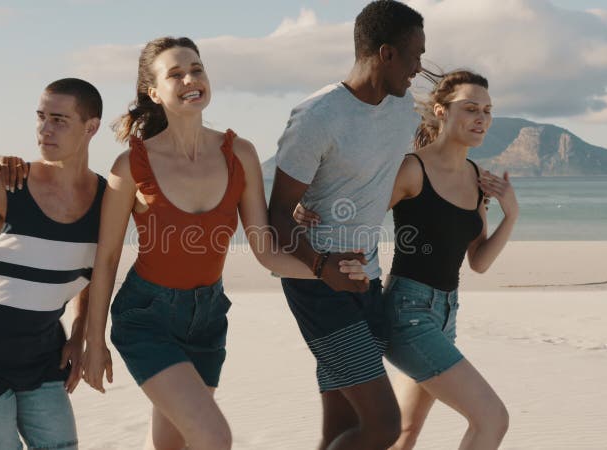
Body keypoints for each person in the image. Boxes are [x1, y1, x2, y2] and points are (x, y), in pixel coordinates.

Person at [80, 36, 367, 450]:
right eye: (175, 74)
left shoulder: (241, 155)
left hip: (209, 317)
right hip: (147, 317)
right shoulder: (131, 165)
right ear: (153, 91)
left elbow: (266, 250)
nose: (190, 79)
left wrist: (324, 269)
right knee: (213, 437)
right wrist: (95, 340)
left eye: (197, 68)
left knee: (170, 442)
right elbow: (105, 258)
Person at [295, 70, 517, 449]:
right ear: (441, 112)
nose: (481, 118)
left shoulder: (477, 178)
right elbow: (357, 211)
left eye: (487, 110)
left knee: (406, 432)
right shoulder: (412, 169)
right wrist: (306, 207)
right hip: (407, 313)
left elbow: (478, 261)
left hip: (446, 314)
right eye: (470, 108)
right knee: (492, 418)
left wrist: (510, 214)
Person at [267, 1, 426, 449]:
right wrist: (322, 267)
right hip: (318, 284)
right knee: (383, 425)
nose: (419, 66)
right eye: (414, 54)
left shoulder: (403, 106)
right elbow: (278, 212)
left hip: (367, 278)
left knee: (341, 426)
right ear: (386, 53)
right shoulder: (317, 116)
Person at [0, 78, 106, 450]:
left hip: (44, 352)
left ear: (91, 127)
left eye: (60, 120)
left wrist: (79, 336)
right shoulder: (3, 186)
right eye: (41, 117)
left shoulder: (106, 203)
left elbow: (96, 275)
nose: (45, 129)